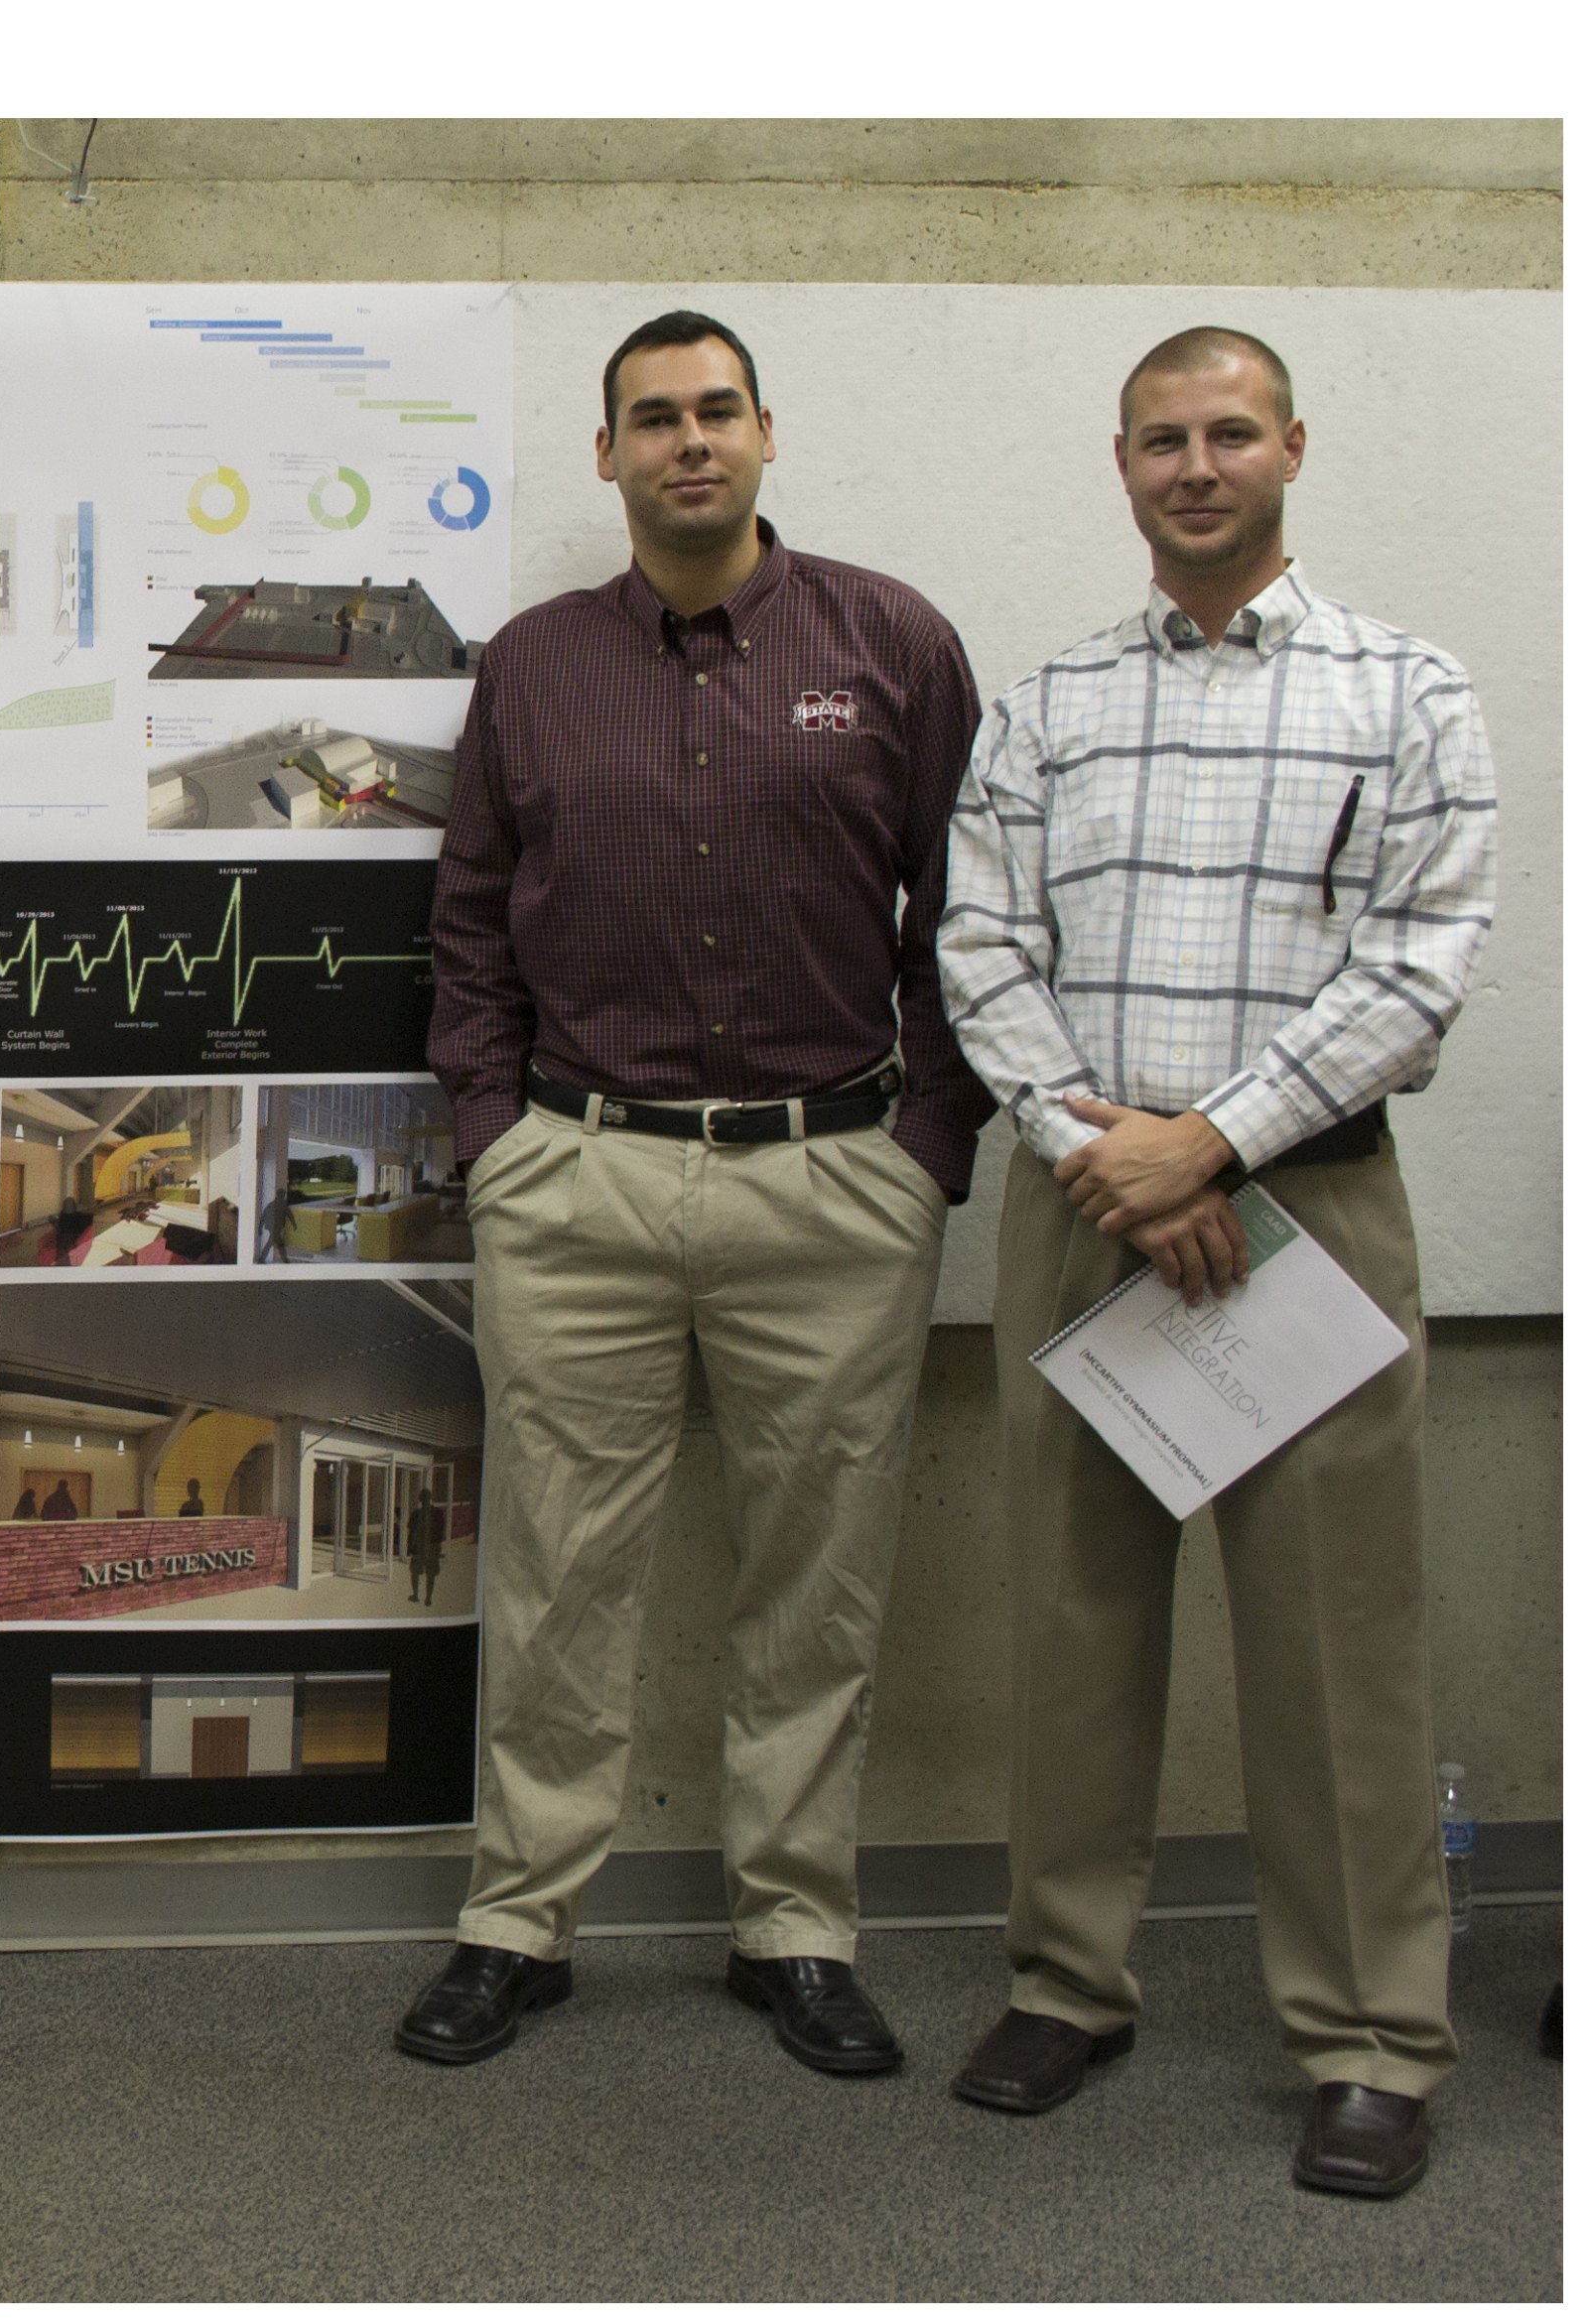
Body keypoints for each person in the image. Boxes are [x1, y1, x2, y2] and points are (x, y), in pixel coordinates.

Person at [935, 326, 1498, 2204]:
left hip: (1309, 1209)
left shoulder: (1409, 692)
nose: (1198, 464)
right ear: (1121, 463)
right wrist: (1113, 1151)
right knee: (1079, 1619)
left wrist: (1221, 1140)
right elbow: (979, 948)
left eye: (1230, 433)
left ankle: (1367, 2041)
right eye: (1164, 438)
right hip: (1087, 1201)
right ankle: (1066, 1985)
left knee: (1338, 1653)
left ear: (1292, 449)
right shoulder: (1051, 703)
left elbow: (1420, 966)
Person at [405, 313, 986, 2084]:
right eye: (652, 418)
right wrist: (502, 1139)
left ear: (764, 433)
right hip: (581, 1182)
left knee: (817, 1577)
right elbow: (472, 924)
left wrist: (929, 1152)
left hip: (831, 1185)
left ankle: (795, 1925)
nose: (688, 442)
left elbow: (965, 918)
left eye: (716, 410)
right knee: (557, 1570)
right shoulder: (532, 666)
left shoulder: (891, 643)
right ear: (607, 457)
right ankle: (521, 1919)